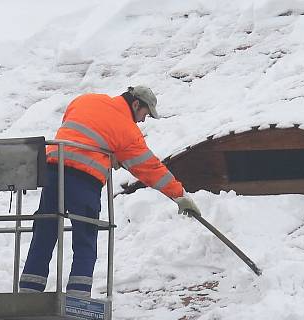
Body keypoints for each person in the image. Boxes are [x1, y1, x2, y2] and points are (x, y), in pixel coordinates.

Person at [18, 86, 200, 297]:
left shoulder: (85, 100)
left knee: (46, 228)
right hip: (84, 180)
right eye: (145, 114)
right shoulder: (127, 130)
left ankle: (29, 290)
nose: (143, 120)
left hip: (52, 171)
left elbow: (81, 133)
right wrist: (179, 195)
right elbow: (150, 169)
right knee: (85, 235)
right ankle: (78, 295)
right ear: (135, 104)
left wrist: (108, 153)